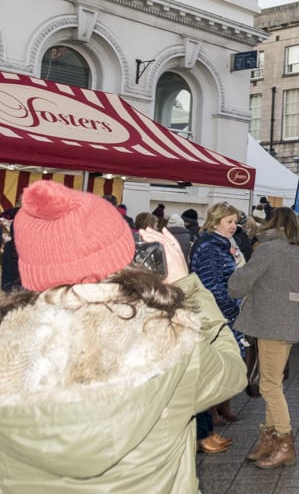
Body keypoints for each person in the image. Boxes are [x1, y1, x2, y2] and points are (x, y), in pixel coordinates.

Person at [0, 181, 245, 491]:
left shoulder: (8, 340)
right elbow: (232, 373)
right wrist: (189, 288)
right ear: (122, 257)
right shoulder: (167, 336)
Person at [228, 207, 299, 470]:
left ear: (272, 223)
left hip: (271, 322)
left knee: (270, 385)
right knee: (271, 381)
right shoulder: (298, 251)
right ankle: (270, 440)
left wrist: (236, 270)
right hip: (288, 321)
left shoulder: (268, 249)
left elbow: (240, 283)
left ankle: (284, 442)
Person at [189, 201, 243, 449]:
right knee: (210, 371)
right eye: (229, 221)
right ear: (216, 221)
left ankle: (208, 427)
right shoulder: (211, 247)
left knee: (214, 369)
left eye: (235, 221)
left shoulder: (221, 244)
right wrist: (232, 311)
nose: (234, 226)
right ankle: (203, 432)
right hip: (213, 317)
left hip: (218, 314)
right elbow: (212, 285)